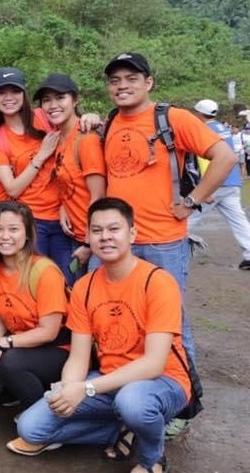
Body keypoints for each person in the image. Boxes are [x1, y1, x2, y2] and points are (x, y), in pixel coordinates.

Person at [11, 198, 192, 473]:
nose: (105, 236)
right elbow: (80, 356)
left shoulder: (157, 282)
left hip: (161, 382)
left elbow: (154, 363)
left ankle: (151, 458)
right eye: (97, 230)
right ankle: (126, 429)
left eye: (114, 229)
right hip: (109, 383)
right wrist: (69, 388)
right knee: (31, 428)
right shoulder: (85, 286)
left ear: (132, 234)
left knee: (133, 401)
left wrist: (88, 389)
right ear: (89, 237)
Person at [101, 52, 235, 427]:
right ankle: (129, 397)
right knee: (120, 319)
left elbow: (224, 156)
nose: (122, 86)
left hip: (162, 240)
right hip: (118, 241)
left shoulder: (173, 118)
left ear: (149, 82)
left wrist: (193, 201)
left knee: (170, 324)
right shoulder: (110, 122)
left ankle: (181, 406)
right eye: (115, 80)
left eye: (131, 78)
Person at [0, 201, 70, 413]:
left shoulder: (44, 271)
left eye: (13, 229)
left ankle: (43, 418)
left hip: (59, 348)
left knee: (8, 361)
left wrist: (3, 343)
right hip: (23, 344)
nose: (5, 236)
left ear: (27, 234)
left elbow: (49, 331)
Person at [0, 67, 71, 276]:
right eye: (1, 93)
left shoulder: (44, 117)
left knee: (68, 279)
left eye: (14, 91)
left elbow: (72, 124)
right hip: (31, 221)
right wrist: (41, 156)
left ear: (24, 93)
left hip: (65, 216)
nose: (8, 98)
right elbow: (12, 188)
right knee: (36, 279)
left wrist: (91, 118)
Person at [36, 74, 106, 284]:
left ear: (75, 100)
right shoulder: (58, 139)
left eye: (60, 98)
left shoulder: (86, 139)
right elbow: (70, 182)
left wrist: (88, 244)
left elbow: (99, 196)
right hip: (75, 234)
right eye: (47, 100)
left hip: (95, 241)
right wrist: (63, 207)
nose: (53, 105)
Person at [189, 99, 250, 270]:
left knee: (188, 216)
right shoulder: (224, 129)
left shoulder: (203, 129)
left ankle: (172, 248)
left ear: (199, 114)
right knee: (238, 220)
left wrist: (205, 188)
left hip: (216, 182)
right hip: (232, 181)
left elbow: (205, 160)